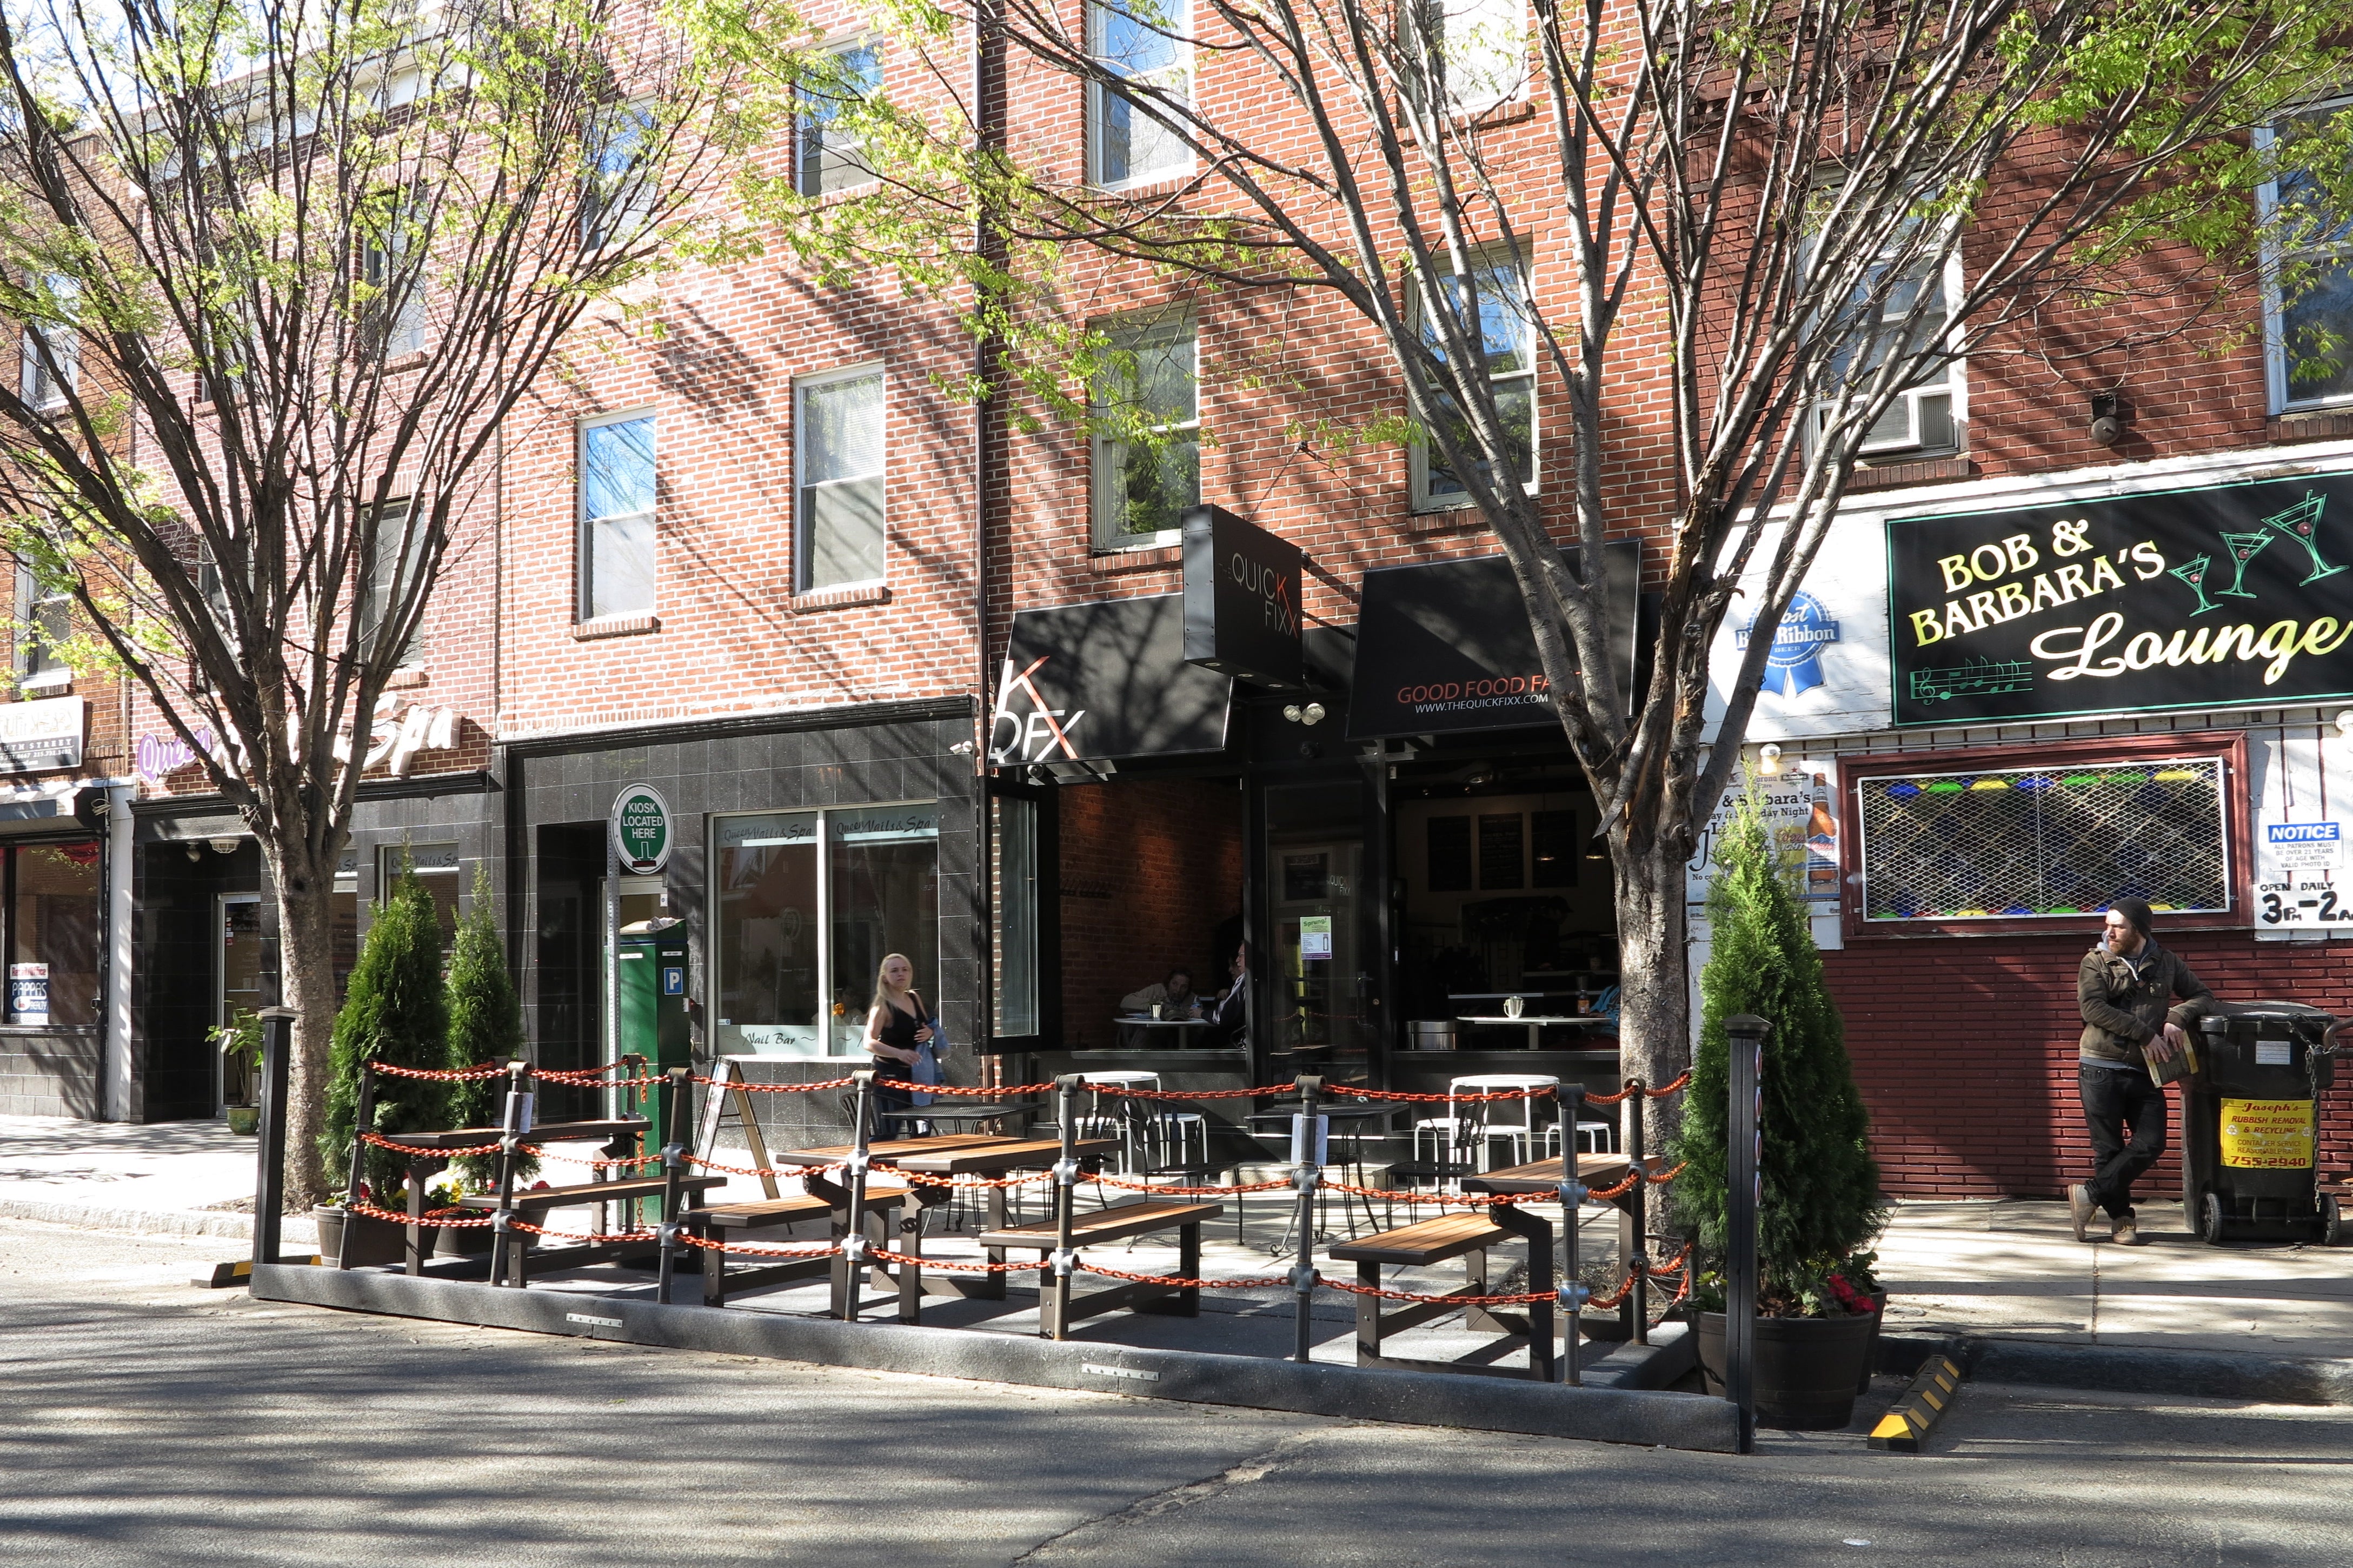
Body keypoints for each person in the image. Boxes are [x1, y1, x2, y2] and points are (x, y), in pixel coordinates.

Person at [2072, 898, 2211, 1246]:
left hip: (2145, 1070)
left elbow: (2203, 996)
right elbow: (2093, 1009)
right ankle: (2122, 1221)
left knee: (2151, 1144)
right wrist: (2146, 1033)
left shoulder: (2166, 962)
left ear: (2139, 929)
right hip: (2100, 1067)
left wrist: (2177, 1018)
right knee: (2108, 1148)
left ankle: (2089, 1193)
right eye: (2108, 924)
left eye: (2118, 926)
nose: (2110, 931)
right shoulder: (2095, 962)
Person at [863, 952, 936, 1138]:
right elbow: (869, 1042)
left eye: (905, 970)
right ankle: (858, 1165)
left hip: (919, 1075)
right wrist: (899, 1053)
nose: (901, 974)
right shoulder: (882, 1006)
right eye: (894, 971)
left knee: (922, 1129)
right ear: (885, 977)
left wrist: (930, 1032)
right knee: (889, 1132)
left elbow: (927, 1026)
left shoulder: (913, 997)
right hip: (890, 1076)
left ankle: (917, 1167)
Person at [1121, 968, 1201, 1019]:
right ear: (1168, 982)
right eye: (1175, 984)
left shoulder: (1193, 999)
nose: (1178, 990)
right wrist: (1154, 1004)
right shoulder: (1157, 989)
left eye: (1184, 987)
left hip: (1180, 1035)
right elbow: (1125, 1002)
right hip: (1152, 1032)